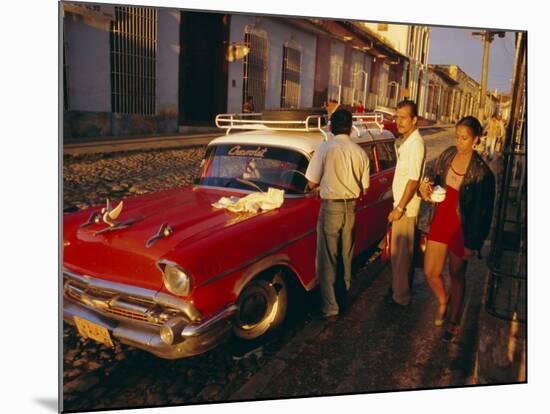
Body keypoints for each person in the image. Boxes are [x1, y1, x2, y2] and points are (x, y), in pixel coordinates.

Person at [419, 116, 495, 342]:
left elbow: (484, 214)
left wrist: (474, 244)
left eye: (464, 138)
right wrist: (426, 186)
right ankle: (443, 300)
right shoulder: (448, 154)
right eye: (457, 137)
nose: (460, 142)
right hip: (440, 218)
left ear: (476, 139)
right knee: (430, 272)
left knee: (456, 274)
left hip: (463, 227)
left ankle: (453, 320)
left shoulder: (483, 173)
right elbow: (432, 173)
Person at [305, 109, 370, 320]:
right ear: (351, 128)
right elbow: (365, 189)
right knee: (346, 255)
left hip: (331, 207)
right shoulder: (360, 152)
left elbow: (311, 182)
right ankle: (343, 296)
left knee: (327, 258)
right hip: (351, 208)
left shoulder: (325, 148)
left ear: (331, 127)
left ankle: (331, 307)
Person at [386, 100, 426, 308]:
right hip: (403, 206)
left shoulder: (415, 144)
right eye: (397, 117)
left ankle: (400, 298)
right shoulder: (407, 141)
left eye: (403, 117)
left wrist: (399, 208)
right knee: (398, 255)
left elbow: (413, 180)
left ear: (414, 120)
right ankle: (397, 290)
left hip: (406, 209)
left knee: (401, 257)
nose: (398, 121)